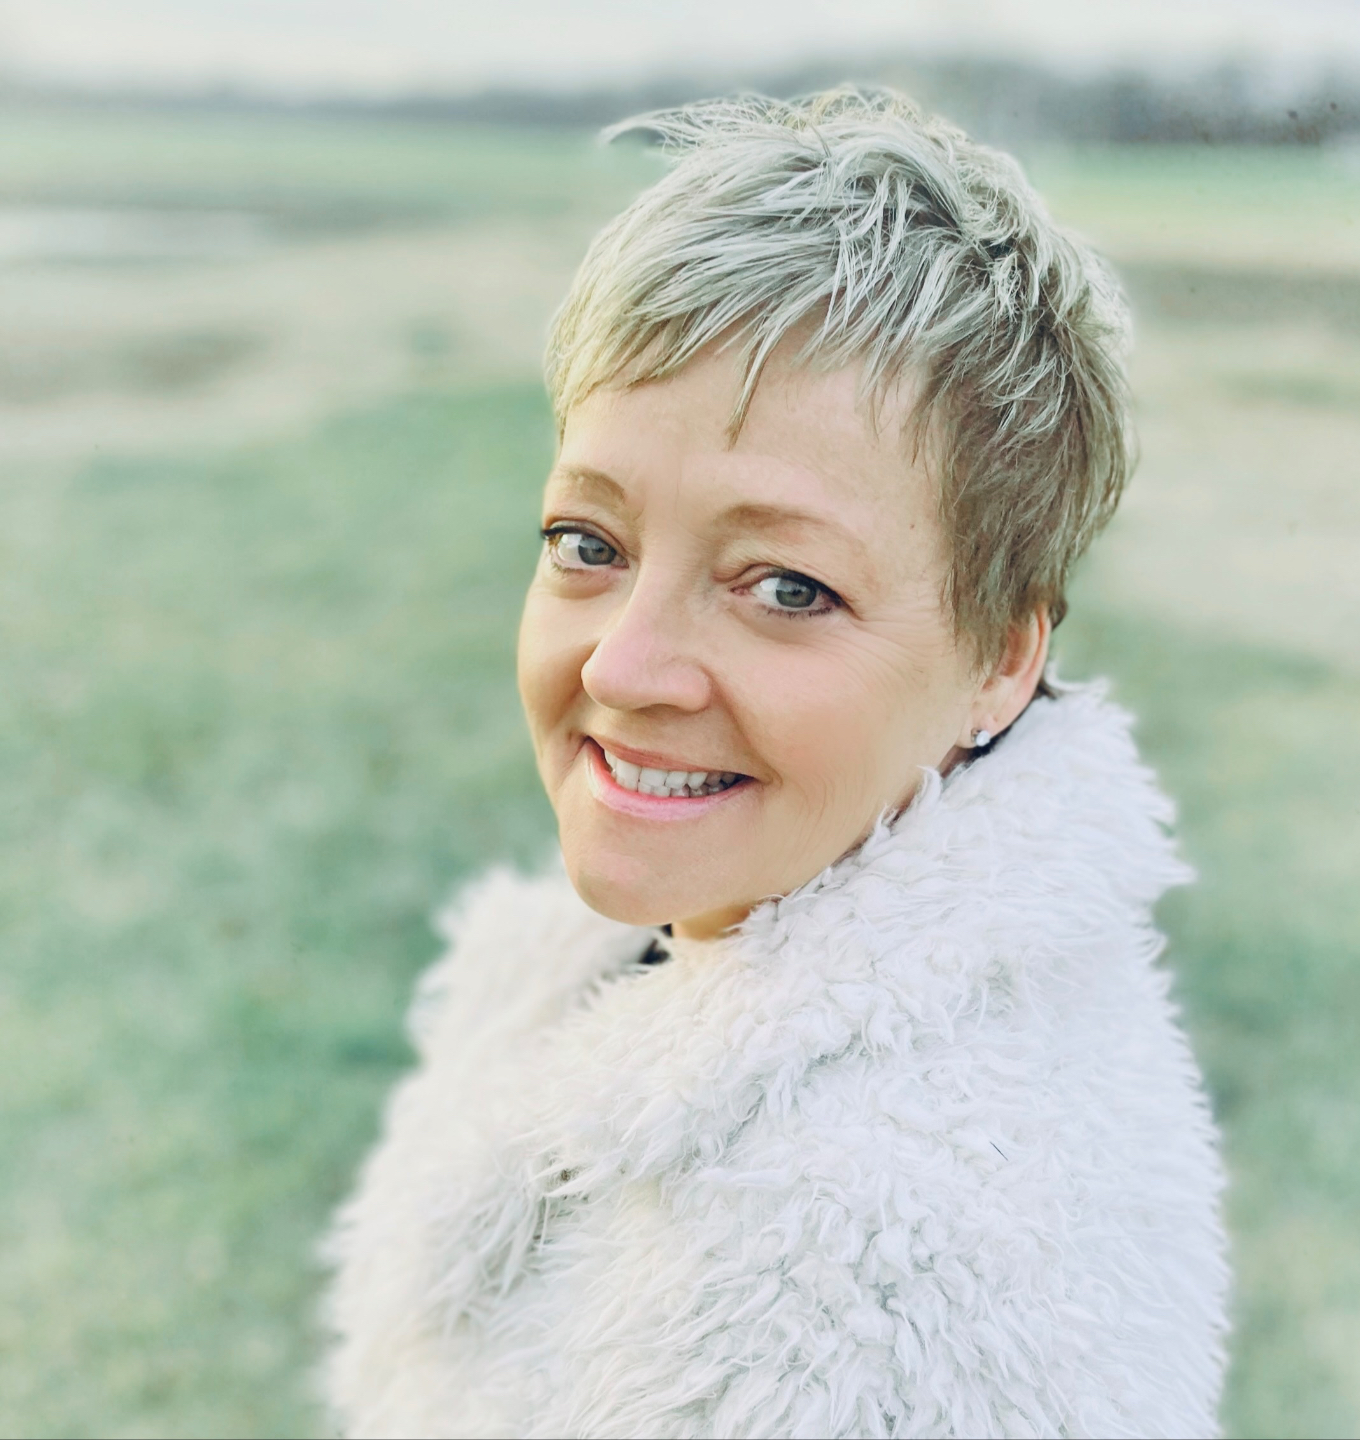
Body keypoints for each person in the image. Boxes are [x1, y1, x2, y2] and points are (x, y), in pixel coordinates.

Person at [321, 89, 1230, 1439]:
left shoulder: (884, 1272)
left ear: (999, 659)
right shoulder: (637, 965)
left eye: (786, 587)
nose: (625, 667)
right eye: (588, 544)